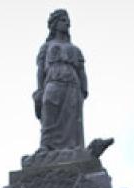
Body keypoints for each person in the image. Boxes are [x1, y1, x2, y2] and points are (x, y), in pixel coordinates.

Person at [33, 9, 88, 151]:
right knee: (49, 107)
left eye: (67, 21)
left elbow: (81, 71)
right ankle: (46, 146)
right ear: (55, 24)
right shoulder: (46, 47)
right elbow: (40, 70)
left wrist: (84, 90)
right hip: (53, 81)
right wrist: (39, 90)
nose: (67, 23)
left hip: (72, 84)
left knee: (71, 117)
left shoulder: (75, 49)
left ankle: (73, 147)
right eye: (63, 20)